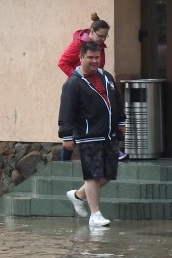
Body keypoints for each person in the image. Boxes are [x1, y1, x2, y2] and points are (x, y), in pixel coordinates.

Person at [58, 41, 126, 227]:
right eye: (90, 57)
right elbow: (66, 111)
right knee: (93, 175)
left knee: (109, 173)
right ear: (81, 58)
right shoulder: (73, 83)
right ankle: (95, 215)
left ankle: (78, 195)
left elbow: (117, 101)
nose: (94, 61)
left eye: (97, 57)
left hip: (108, 134)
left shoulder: (107, 77)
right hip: (87, 136)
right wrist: (67, 135)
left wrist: (121, 122)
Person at [58, 13, 126, 161]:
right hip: (82, 88)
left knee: (104, 113)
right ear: (92, 32)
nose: (102, 39)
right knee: (77, 123)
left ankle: (113, 149)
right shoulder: (78, 45)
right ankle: (64, 162)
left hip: (96, 84)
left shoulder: (98, 47)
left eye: (105, 37)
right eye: (100, 36)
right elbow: (63, 62)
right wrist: (79, 79)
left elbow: (99, 66)